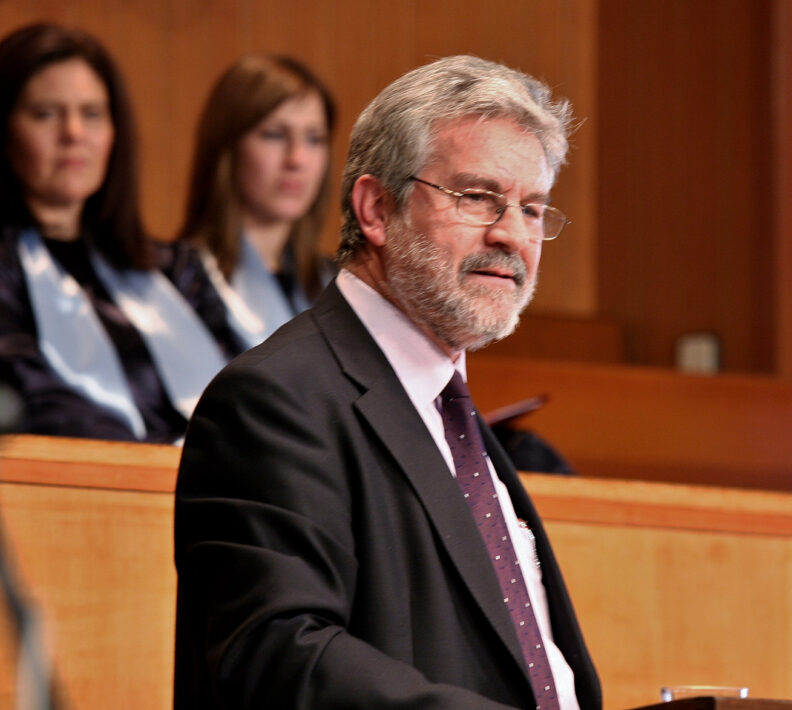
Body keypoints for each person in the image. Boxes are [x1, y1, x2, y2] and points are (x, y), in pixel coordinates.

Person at [174, 55, 601, 709]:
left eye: (533, 208)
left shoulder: (458, 423)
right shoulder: (275, 401)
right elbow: (276, 653)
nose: (512, 235)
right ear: (376, 208)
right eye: (477, 197)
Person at [0, 22, 233, 443]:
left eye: (91, 114)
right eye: (46, 113)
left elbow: (244, 391)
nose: (74, 134)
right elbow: (32, 398)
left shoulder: (177, 270)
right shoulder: (7, 271)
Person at [177, 54, 336, 349]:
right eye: (274, 135)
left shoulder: (342, 288)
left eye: (314, 139)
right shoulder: (178, 284)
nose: (297, 159)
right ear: (228, 147)